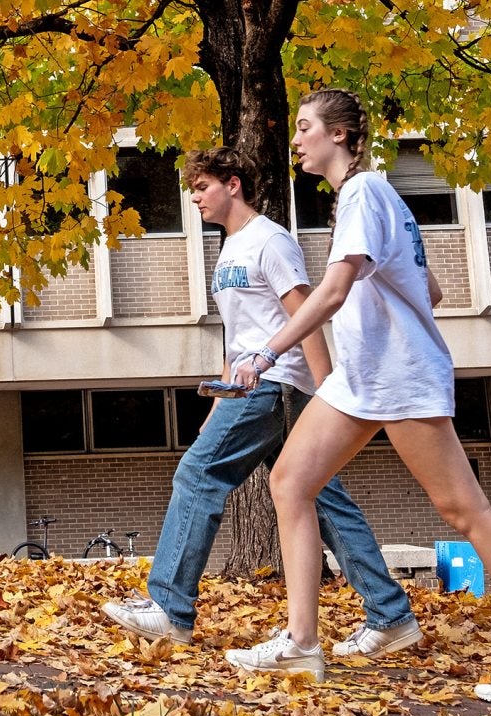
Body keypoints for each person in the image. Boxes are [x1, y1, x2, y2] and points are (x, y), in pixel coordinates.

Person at [224, 89, 491, 706]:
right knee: (289, 482)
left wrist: (266, 352)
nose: (297, 139)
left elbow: (334, 292)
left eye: (306, 127)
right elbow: (432, 289)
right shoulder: (370, 198)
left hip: (399, 377)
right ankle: (302, 643)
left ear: (337, 134)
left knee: (463, 511)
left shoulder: (363, 192)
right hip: (362, 378)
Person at [100, 148, 423, 665]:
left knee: (198, 474)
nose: (196, 198)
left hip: (277, 385)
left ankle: (169, 606)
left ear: (233, 184)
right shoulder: (229, 251)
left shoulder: (270, 240)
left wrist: (324, 396)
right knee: (322, 499)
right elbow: (240, 336)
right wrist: (218, 403)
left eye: (203, 187)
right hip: (249, 386)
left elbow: (306, 314)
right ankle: (390, 614)